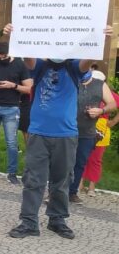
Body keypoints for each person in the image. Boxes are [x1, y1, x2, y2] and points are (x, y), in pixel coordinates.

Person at [7, 24, 113, 240]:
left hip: (66, 134)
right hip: (38, 132)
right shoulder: (41, 66)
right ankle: (29, 222)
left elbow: (86, 61)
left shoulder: (74, 67)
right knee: (33, 179)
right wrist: (17, 36)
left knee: (62, 179)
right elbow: (28, 59)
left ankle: (57, 220)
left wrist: (98, 38)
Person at [0, 41, 32, 183]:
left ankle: (12, 173)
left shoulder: (20, 65)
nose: (2, 59)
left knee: (11, 142)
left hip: (11, 108)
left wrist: (13, 85)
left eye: (5, 56)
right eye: (0, 56)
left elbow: (29, 88)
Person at [68, 69, 116, 204]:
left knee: (80, 163)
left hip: (87, 132)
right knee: (61, 162)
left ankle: (72, 192)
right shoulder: (70, 79)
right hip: (65, 130)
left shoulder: (100, 84)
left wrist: (101, 110)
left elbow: (112, 104)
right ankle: (54, 193)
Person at [80, 70, 119, 197]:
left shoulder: (109, 94)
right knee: (81, 156)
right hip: (85, 125)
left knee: (96, 159)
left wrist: (113, 121)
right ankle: (79, 184)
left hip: (101, 128)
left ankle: (91, 187)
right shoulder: (84, 89)